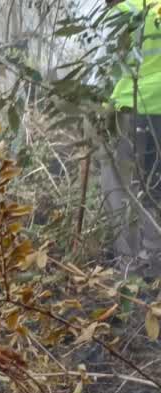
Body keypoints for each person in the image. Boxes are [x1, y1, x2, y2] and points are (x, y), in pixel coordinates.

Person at [102, 0, 161, 274]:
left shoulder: (122, 13)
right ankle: (154, 260)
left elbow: (101, 72)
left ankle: (129, 267)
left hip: (130, 109)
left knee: (121, 189)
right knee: (154, 189)